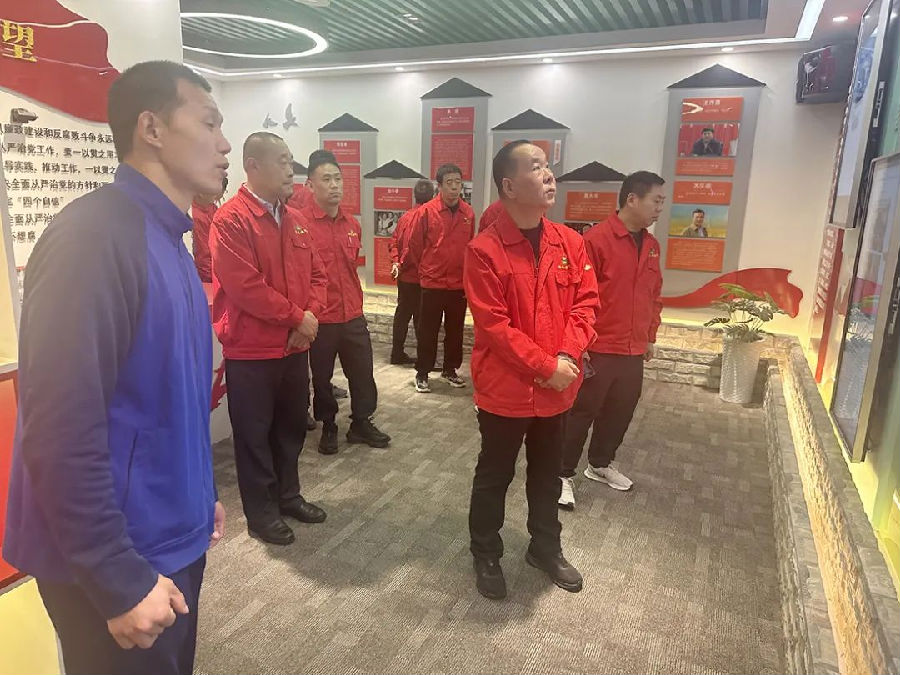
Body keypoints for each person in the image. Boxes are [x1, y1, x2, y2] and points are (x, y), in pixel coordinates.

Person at [2, 61, 228, 675]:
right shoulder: (94, 238)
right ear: (151, 128)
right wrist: (116, 576)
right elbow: (58, 428)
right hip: (117, 558)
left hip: (166, 535)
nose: (225, 143)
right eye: (209, 123)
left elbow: (165, 398)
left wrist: (197, 494)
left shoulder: (169, 240)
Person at [465, 140, 599, 600]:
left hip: (557, 388)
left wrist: (567, 357)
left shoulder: (571, 243)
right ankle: (485, 552)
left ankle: (545, 547)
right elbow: (494, 326)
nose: (549, 175)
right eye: (537, 167)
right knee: (495, 474)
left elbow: (586, 305)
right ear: (509, 185)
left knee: (547, 475)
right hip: (506, 389)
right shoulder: (484, 251)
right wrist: (546, 365)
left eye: (548, 166)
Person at [210, 132, 328, 546]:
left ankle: (288, 496)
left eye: (291, 160)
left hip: (294, 347)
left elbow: (318, 276)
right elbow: (246, 287)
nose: (290, 169)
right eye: (282, 161)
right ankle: (261, 514)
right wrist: (298, 318)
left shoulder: (295, 219)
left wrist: (307, 319)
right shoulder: (231, 221)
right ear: (253, 165)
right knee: (254, 436)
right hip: (252, 350)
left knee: (291, 427)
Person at [558, 171, 665, 510]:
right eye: (656, 201)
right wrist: (579, 345)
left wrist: (650, 336)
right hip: (598, 347)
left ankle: (600, 464)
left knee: (621, 410)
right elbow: (575, 297)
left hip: (632, 348)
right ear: (632, 199)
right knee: (581, 412)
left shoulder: (651, 246)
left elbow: (654, 295)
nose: (660, 208)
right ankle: (561, 474)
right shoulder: (596, 240)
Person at [298, 149, 390, 454]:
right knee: (322, 377)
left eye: (338, 178)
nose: (335, 185)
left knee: (362, 372)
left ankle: (361, 422)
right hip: (321, 317)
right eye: (326, 179)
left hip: (352, 314)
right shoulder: (300, 224)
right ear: (310, 185)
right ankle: (329, 425)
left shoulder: (352, 223)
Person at [408, 163, 475, 393]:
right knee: (428, 331)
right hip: (433, 282)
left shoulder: (468, 213)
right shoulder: (427, 212)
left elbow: (470, 246)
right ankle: (422, 372)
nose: (455, 187)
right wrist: (427, 269)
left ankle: (450, 370)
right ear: (439, 186)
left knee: (455, 331)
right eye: (449, 183)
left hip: (457, 285)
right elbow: (415, 246)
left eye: (458, 182)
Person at [388, 178, 434, 365]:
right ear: (433, 196)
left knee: (402, 315)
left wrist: (397, 262)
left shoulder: (405, 217)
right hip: (420, 276)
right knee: (421, 319)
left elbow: (394, 241)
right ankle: (423, 358)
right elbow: (417, 248)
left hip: (405, 276)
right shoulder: (428, 217)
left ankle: (396, 353)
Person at [191, 175, 227, 282]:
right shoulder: (195, 216)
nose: (216, 197)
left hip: (216, 270)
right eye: (213, 192)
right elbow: (203, 255)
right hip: (206, 276)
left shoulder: (212, 208)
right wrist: (213, 279)